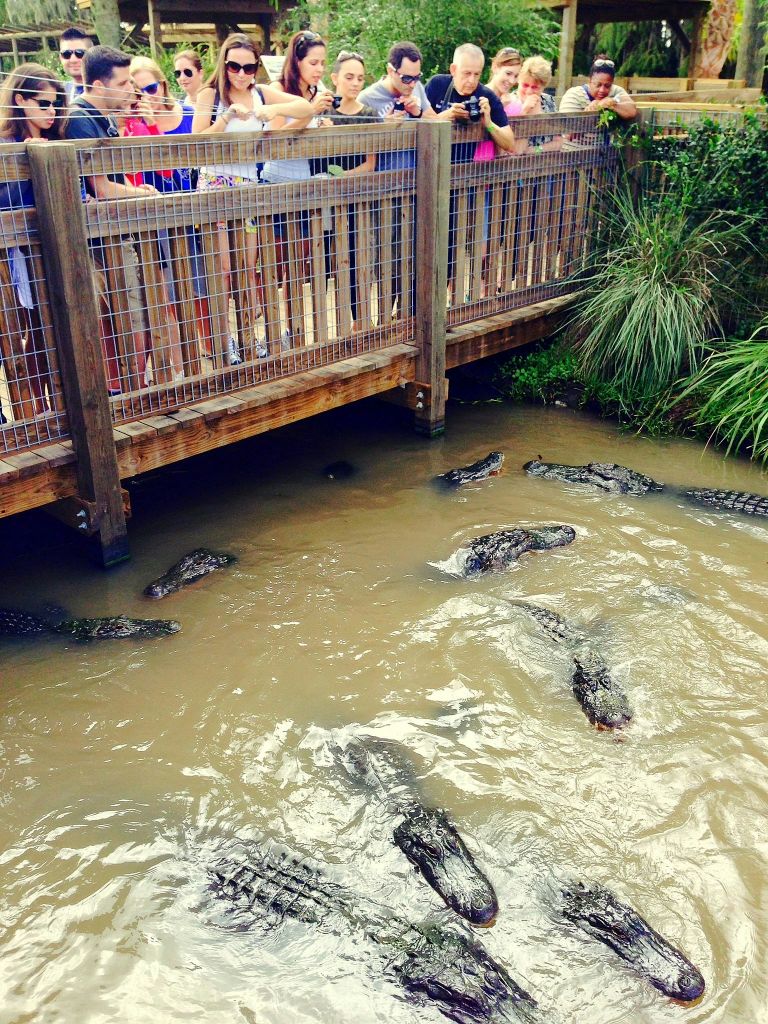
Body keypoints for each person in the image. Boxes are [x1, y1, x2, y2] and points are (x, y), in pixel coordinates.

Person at [193, 32, 312, 361]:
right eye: (235, 66)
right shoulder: (210, 94)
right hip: (216, 184)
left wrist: (270, 111)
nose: (242, 74)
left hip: (248, 185)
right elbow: (197, 139)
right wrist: (226, 118)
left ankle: (247, 335)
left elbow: (304, 107)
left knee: (247, 265)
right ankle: (222, 339)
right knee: (221, 268)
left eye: (249, 67)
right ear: (224, 64)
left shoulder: (259, 93)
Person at [64, 45, 159, 395]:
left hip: (109, 232)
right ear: (98, 85)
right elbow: (100, 188)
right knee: (129, 313)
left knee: (134, 311)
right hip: (98, 238)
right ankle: (130, 389)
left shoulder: (101, 118)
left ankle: (131, 385)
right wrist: (142, 194)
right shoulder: (80, 119)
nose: (130, 89)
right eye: (122, 83)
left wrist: (134, 189)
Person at [0, 63, 66, 416]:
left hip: (48, 249)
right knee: (27, 328)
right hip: (16, 254)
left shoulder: (54, 141)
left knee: (46, 328)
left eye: (55, 103)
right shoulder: (6, 143)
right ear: (20, 100)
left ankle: (48, 404)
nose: (51, 111)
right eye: (43, 103)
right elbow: (6, 201)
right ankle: (33, 407)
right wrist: (27, 160)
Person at [425, 43, 516, 162]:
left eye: (476, 74)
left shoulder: (487, 97)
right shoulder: (437, 84)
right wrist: (448, 115)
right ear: (453, 69)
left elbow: (510, 144)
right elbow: (417, 122)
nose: (472, 80)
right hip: (432, 163)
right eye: (467, 73)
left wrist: (488, 124)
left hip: (466, 168)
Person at [559, 54, 637, 120]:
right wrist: (589, 113)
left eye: (607, 86)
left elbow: (631, 111)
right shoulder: (574, 95)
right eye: (598, 85)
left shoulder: (616, 91)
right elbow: (566, 128)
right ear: (590, 81)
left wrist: (610, 104)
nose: (602, 90)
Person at [513, 55, 561, 154]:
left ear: (543, 87)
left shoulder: (548, 101)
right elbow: (517, 150)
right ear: (518, 81)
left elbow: (559, 142)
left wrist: (536, 150)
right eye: (525, 85)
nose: (529, 91)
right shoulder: (511, 102)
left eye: (535, 87)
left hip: (547, 160)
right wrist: (526, 112)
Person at [172, 49, 205, 131]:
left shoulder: (216, 100)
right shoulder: (179, 104)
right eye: (178, 73)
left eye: (188, 72)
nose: (182, 78)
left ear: (200, 73)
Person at [58, 27, 93, 103]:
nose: (73, 60)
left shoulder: (105, 89)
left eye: (80, 53)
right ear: (60, 58)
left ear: (92, 55)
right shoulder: (60, 92)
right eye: (66, 54)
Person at [487, 47, 524, 117]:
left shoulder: (515, 103)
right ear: (495, 67)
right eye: (508, 73)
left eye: (516, 76)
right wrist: (499, 107)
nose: (512, 81)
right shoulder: (477, 96)